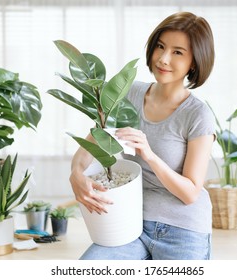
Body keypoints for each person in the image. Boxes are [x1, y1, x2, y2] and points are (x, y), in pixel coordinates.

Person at [69, 11, 216, 260]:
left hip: (183, 230)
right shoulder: (127, 95)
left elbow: (191, 192)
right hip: (130, 223)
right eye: (160, 46)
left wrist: (149, 155)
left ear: (194, 62)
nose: (163, 58)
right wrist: (75, 175)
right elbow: (89, 147)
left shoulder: (198, 115)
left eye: (178, 52)